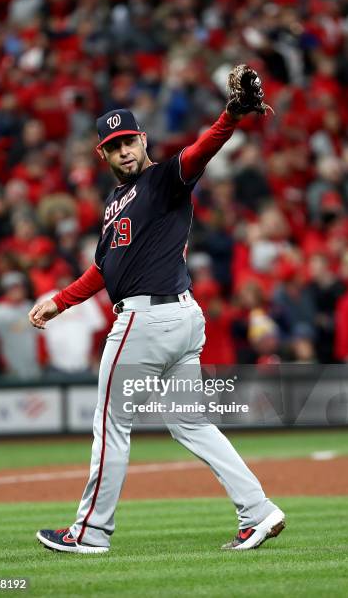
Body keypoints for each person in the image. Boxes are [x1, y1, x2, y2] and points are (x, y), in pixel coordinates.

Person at [29, 65, 285, 554]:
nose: (124, 151)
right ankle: (258, 510)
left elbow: (201, 149)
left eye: (129, 141)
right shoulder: (115, 202)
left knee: (111, 425)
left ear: (143, 141)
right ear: (101, 153)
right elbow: (102, 271)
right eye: (114, 146)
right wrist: (59, 302)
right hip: (179, 320)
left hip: (147, 320)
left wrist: (232, 113)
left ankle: (89, 533)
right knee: (190, 423)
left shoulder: (166, 178)